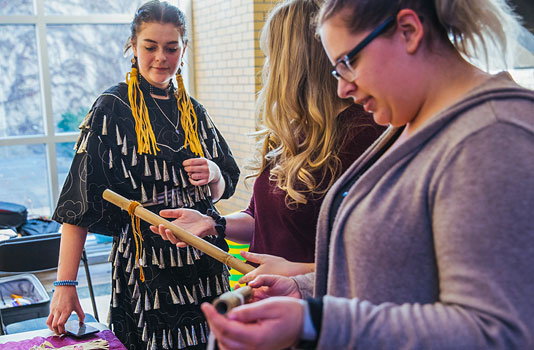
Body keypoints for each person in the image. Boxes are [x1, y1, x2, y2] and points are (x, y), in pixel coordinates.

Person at [199, 0, 534, 349]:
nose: (343, 88)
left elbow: (496, 332)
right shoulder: (406, 124)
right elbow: (394, 278)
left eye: (348, 62)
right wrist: (306, 290)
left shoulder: (493, 135)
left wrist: (315, 320)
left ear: (409, 31)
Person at [47, 1, 240, 349]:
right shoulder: (112, 107)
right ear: (133, 47)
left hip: (206, 265)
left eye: (171, 48)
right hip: (146, 270)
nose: (161, 58)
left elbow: (224, 186)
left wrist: (213, 173)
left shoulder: (194, 112)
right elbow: (79, 202)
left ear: (184, 49)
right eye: (150, 47)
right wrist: (65, 286)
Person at [152, 0, 384, 284]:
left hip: (318, 315)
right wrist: (212, 222)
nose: (268, 67)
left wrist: (297, 273)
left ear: (292, 61)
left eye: (270, 54)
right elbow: (260, 221)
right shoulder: (291, 129)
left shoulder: (364, 133)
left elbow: (376, 264)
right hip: (273, 308)